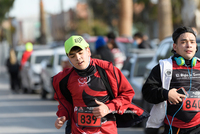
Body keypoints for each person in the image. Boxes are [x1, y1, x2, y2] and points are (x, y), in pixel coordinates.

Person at [52, 35, 145, 134]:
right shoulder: (64, 78)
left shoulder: (107, 69)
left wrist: (108, 108)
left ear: (88, 51)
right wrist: (63, 116)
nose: (78, 58)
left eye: (80, 53)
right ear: (68, 58)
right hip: (78, 130)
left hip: (105, 130)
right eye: (72, 56)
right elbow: (65, 103)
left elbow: (127, 93)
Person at [142, 26, 200, 134]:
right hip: (174, 128)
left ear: (196, 46)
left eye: (192, 42)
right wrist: (166, 94)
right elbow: (147, 92)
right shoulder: (164, 67)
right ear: (175, 46)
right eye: (183, 42)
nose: (189, 45)